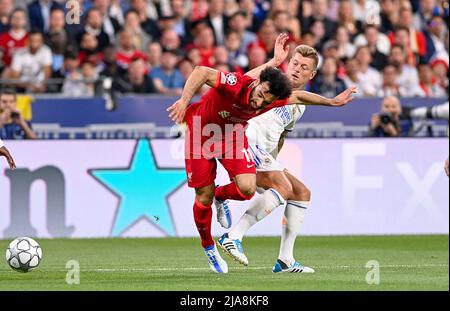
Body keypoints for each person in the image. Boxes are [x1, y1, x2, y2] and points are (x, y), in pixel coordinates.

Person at [167, 33, 356, 273]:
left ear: (312, 74)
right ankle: (219, 243)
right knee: (208, 197)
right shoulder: (248, 82)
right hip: (211, 135)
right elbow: (209, 73)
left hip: (233, 137)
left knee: (297, 192)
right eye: (295, 63)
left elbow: (294, 106)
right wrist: (184, 100)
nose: (297, 69)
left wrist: (330, 102)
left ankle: (284, 258)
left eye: (303, 67)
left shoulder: (282, 100)